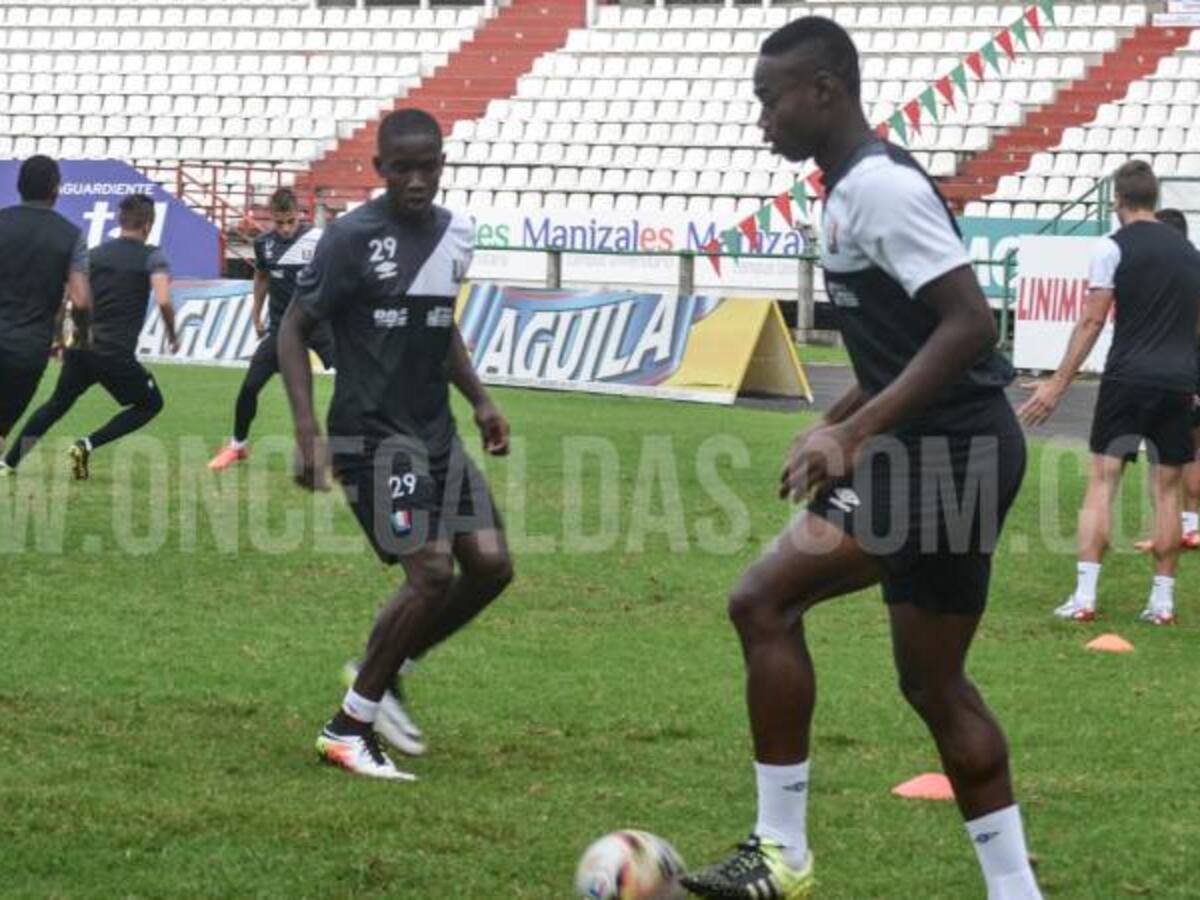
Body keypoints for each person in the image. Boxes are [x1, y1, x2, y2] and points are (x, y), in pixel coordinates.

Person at [681, 19, 1040, 900]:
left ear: (825, 90)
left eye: (771, 98)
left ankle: (781, 854)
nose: (760, 116)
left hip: (943, 459)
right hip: (964, 450)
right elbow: (911, 344)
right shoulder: (847, 188)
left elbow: (969, 325)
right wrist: (843, 416)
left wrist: (853, 432)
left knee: (763, 600)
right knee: (933, 681)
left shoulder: (876, 188)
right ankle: (1015, 891)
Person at [278, 108, 514, 781]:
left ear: (442, 165)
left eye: (428, 166)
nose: (416, 180)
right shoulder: (350, 239)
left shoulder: (455, 233)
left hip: (435, 433)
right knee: (432, 573)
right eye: (402, 168)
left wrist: (481, 400)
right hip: (371, 435)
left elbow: (439, 326)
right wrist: (306, 431)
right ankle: (349, 726)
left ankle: (387, 668)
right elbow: (292, 331)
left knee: (492, 566)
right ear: (379, 169)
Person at [1021, 165, 1200, 626]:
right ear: (1155, 199)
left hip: (1127, 378)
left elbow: (1092, 320)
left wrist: (1057, 383)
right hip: (1178, 382)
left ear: (1119, 200)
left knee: (1103, 482)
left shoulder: (1111, 246)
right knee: (1167, 493)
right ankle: (1162, 604)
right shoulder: (1190, 252)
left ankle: (1084, 597)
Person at [2, 194, 178, 479]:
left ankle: (8, 463)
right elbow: (163, 299)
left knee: (56, 404)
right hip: (115, 353)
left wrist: (60, 338)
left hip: (81, 346)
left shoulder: (95, 254)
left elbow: (69, 295)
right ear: (148, 226)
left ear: (120, 221)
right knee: (150, 404)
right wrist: (173, 334)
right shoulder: (152, 256)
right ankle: (87, 444)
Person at [208, 188, 335, 470]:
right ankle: (237, 446)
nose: (286, 229)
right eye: (279, 222)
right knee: (250, 387)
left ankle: (364, 444)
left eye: (290, 221)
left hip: (319, 325)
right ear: (270, 219)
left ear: (299, 215)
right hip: (283, 329)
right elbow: (262, 277)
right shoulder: (264, 244)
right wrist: (256, 314)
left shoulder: (318, 239)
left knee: (355, 380)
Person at [0, 155, 91, 471]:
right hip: (28, 348)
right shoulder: (71, 235)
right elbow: (80, 300)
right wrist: (77, 340)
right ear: (56, 190)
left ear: (19, 186)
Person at [1133, 208, 1200, 551]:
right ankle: (1191, 525)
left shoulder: (1169, 271)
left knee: (1172, 454)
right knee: (1193, 448)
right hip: (1189, 366)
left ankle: (1177, 529)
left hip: (1176, 370)